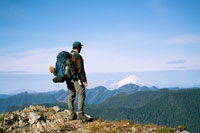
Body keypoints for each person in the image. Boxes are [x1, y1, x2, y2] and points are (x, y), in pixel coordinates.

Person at [50, 41, 90, 121]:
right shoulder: (77, 57)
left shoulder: (68, 55)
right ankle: (80, 114)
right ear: (79, 48)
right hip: (75, 78)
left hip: (68, 78)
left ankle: (72, 114)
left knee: (71, 95)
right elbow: (80, 70)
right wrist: (84, 80)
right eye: (81, 47)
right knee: (81, 92)